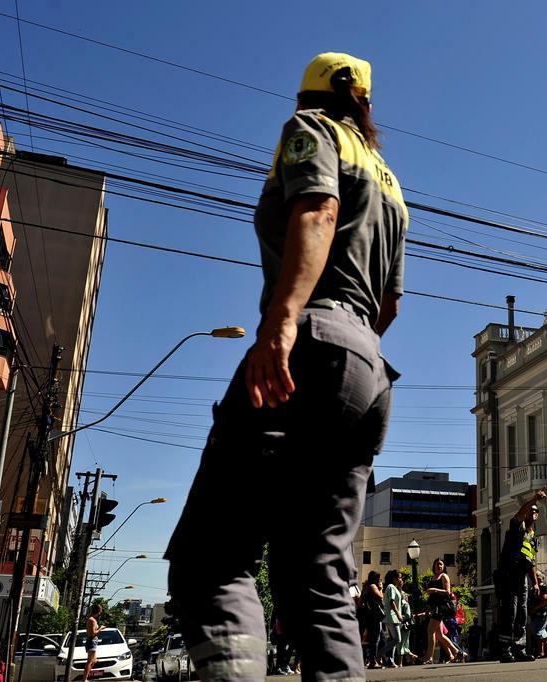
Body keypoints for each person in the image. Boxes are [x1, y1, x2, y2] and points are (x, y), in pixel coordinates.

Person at [165, 52, 407, 681]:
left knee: (212, 558)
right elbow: (390, 304)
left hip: (309, 342)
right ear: (365, 103)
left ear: (308, 99)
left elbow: (317, 212)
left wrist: (285, 318)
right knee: (318, 578)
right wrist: (349, 354)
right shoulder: (389, 181)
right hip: (368, 369)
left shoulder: (313, 133)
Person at [495, 489, 547, 663]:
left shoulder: (533, 537)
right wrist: (534, 499)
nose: (531, 512)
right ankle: (505, 650)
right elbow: (521, 512)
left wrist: (535, 583)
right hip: (509, 574)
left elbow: (530, 560)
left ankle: (519, 649)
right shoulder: (517, 526)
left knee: (522, 614)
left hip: (522, 578)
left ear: (537, 515)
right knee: (510, 612)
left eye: (535, 511)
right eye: (529, 510)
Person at [424, 558, 464, 663]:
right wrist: (428, 608)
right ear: (434, 566)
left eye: (441, 564)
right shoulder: (433, 578)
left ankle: (429, 658)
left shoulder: (444, 576)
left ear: (444, 566)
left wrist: (434, 590)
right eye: (437, 564)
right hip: (434, 608)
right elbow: (431, 597)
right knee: (439, 635)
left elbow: (447, 592)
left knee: (430, 631)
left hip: (440, 608)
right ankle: (457, 652)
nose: (439, 566)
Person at [380, 570, 405, 668]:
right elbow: (392, 602)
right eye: (399, 577)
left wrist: (400, 587)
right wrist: (398, 614)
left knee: (392, 640)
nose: (401, 579)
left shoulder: (394, 588)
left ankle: (390, 660)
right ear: (394, 578)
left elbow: (400, 599)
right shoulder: (390, 587)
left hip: (394, 616)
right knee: (397, 639)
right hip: (392, 616)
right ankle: (379, 654)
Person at [362, 571, 385, 669]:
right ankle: (373, 661)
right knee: (375, 639)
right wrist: (381, 588)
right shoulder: (373, 586)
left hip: (369, 616)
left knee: (374, 638)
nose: (380, 580)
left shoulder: (366, 587)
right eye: (379, 579)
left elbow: (361, 601)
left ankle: (373, 660)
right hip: (375, 616)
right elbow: (380, 596)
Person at [528, 571, 547, 658]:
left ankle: (543, 650)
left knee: (538, 632)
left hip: (542, 614)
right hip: (534, 615)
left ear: (542, 578)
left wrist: (535, 608)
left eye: (538, 576)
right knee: (539, 632)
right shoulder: (532, 589)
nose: (536, 577)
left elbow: (546, 599)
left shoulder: (543, 587)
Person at [82, 602, 104, 681]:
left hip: (93, 641)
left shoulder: (92, 619)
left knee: (94, 660)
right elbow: (92, 633)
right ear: (98, 611)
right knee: (90, 661)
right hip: (92, 641)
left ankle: (86, 677)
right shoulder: (92, 620)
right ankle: (84, 679)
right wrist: (100, 628)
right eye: (100, 611)